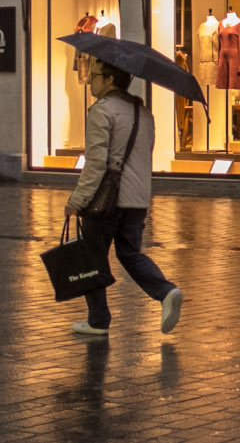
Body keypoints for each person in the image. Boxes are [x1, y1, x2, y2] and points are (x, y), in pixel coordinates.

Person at [67, 62, 183, 336]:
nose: (90, 82)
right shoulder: (144, 112)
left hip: (105, 200)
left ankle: (98, 320)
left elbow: (96, 163)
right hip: (137, 197)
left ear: (109, 80)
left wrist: (77, 199)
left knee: (92, 256)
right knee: (130, 253)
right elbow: (145, 154)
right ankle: (166, 291)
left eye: (94, 76)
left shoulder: (101, 111)